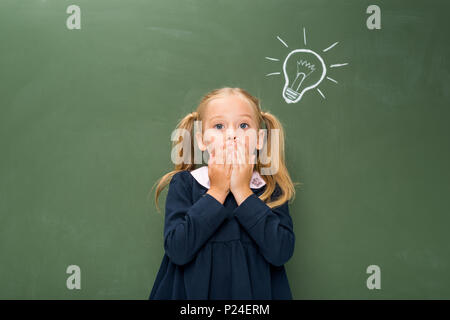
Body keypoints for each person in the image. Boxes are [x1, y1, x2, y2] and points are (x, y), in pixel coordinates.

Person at [149, 87, 297, 299]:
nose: (231, 135)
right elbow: (178, 250)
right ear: (201, 140)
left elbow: (280, 252)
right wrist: (217, 191)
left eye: (243, 125)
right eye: (219, 126)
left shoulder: (271, 187)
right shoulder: (185, 183)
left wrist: (242, 191)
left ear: (259, 139)